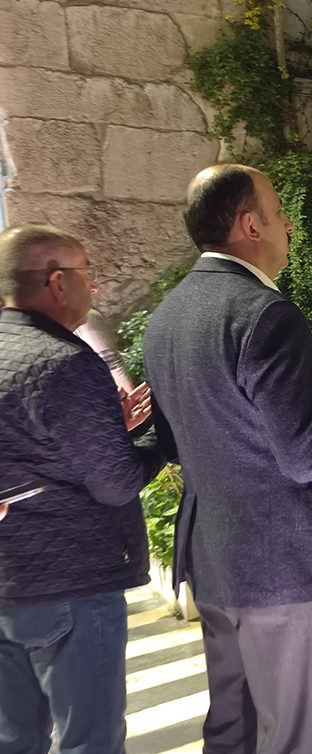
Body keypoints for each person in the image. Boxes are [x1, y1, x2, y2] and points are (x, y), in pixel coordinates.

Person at [143, 164, 312, 754]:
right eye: (278, 212)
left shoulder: (165, 319)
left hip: (214, 561)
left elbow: (174, 443)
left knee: (232, 730)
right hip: (285, 569)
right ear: (250, 226)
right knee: (298, 736)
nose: (290, 224)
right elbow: (306, 456)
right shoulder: (265, 315)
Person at [0, 223, 166, 754]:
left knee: (14, 738)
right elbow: (115, 484)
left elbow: (35, 446)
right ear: (56, 281)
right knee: (89, 741)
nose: (93, 286)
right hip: (69, 585)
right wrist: (158, 440)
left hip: (7, 585)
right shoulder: (66, 362)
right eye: (86, 273)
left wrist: (111, 429)